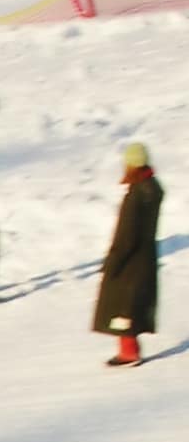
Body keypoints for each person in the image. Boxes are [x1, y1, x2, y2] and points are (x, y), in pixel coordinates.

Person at [93, 141, 163, 369]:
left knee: (122, 307)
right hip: (145, 257)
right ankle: (129, 351)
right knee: (131, 306)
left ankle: (129, 353)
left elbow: (126, 235)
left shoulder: (134, 196)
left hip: (130, 261)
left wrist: (113, 263)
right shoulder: (153, 188)